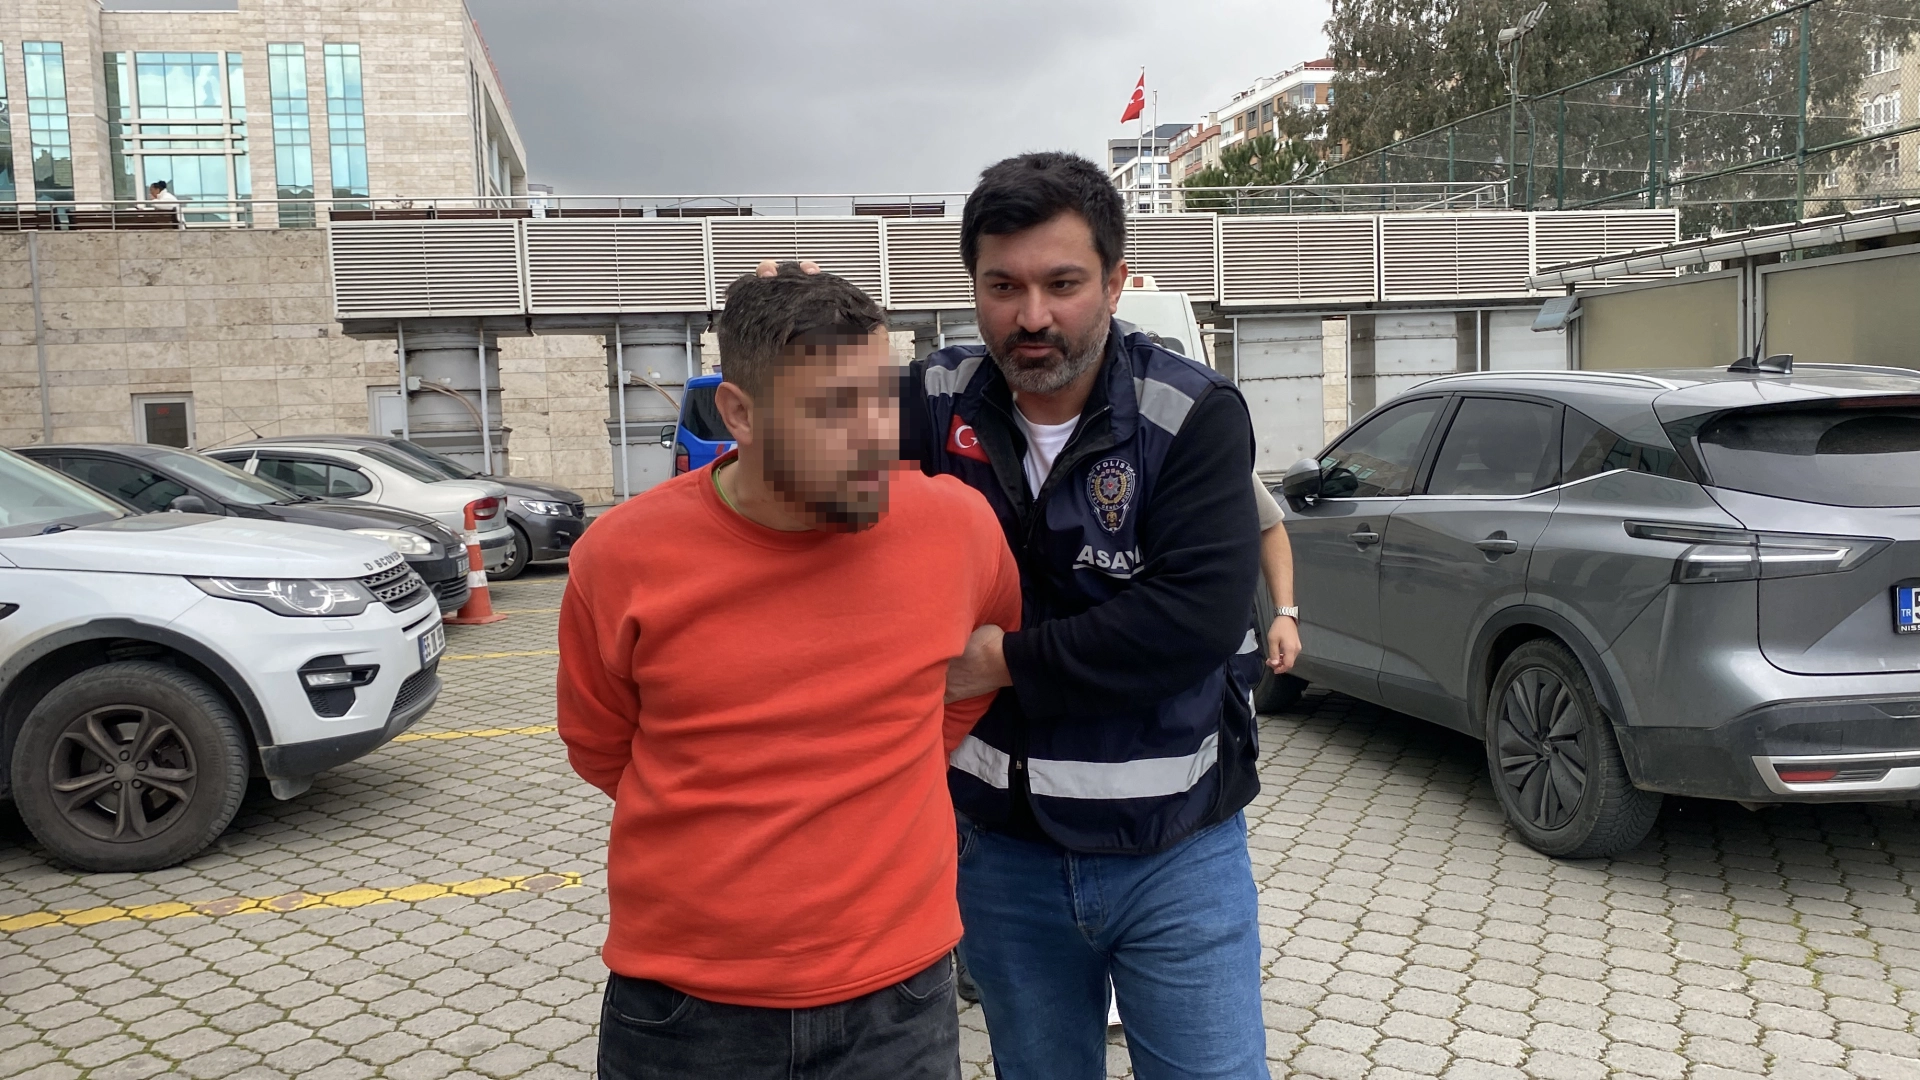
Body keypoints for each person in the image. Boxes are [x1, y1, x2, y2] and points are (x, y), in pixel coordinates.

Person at [557, 264, 1022, 1080]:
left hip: (899, 1001)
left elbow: (978, 666)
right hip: (687, 1007)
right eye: (833, 409)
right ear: (740, 413)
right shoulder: (621, 558)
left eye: (882, 396)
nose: (875, 435)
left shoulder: (956, 527)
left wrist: (903, 749)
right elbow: (601, 746)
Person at [913, 151, 1273, 1079]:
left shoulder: (1192, 413)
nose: (1032, 315)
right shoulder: (932, 400)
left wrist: (1000, 662)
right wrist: (794, 339)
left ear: (1115, 283)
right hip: (1002, 857)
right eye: (1003, 286)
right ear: (974, 287)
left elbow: (1191, 622)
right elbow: (799, 458)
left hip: (1175, 853)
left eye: (1063, 284)